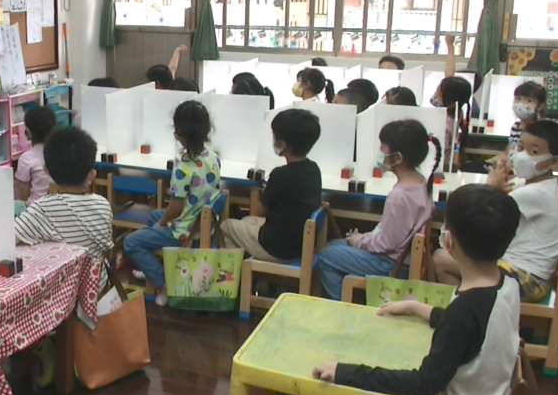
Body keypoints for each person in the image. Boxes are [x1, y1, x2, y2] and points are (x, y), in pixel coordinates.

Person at [315, 184, 521, 395]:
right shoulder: (507, 284)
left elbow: (424, 383)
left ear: (450, 241)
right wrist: (418, 309)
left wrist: (344, 372)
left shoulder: (463, 312)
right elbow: (478, 331)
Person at [435, 120, 558, 303]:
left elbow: (479, 210)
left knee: (441, 259)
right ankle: (470, 306)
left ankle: (467, 310)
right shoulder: (531, 184)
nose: (523, 156)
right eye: (520, 148)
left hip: (527, 281)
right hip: (525, 272)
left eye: (534, 152)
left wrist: (491, 184)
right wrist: (496, 186)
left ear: (554, 162)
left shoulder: (537, 193)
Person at [316, 120, 441, 300]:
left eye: (382, 148)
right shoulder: (421, 183)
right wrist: (363, 238)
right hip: (403, 259)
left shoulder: (399, 197)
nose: (380, 153)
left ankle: (343, 306)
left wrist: (359, 241)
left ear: (398, 158)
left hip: (389, 264)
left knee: (327, 255)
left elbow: (385, 245)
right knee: (336, 245)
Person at [124, 101, 221, 306]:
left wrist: (162, 224)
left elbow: (175, 209)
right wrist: (160, 221)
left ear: (179, 135)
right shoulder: (213, 158)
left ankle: (164, 284)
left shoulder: (183, 169)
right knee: (154, 215)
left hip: (186, 231)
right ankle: (151, 267)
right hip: (205, 224)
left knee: (130, 242)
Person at [15, 127, 114, 292]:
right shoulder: (103, 204)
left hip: (61, 292)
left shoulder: (42, 209)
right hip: (96, 286)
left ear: (46, 171)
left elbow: (8, 239)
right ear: (91, 176)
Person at [221, 109, 322, 262]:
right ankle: (245, 269)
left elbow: (260, 211)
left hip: (277, 247)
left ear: (282, 144)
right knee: (246, 221)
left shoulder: (281, 174)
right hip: (301, 244)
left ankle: (232, 273)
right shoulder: (314, 169)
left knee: (226, 226)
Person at [430, 75, 473, 171]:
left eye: (438, 95)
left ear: (451, 102)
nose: (434, 97)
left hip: (442, 167)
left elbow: (440, 150)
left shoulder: (444, 124)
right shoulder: (457, 113)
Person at [505, 81, 547, 160]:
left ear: (540, 106)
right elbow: (507, 152)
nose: (521, 104)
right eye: (518, 99)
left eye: (529, 100)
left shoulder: (536, 129)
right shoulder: (515, 126)